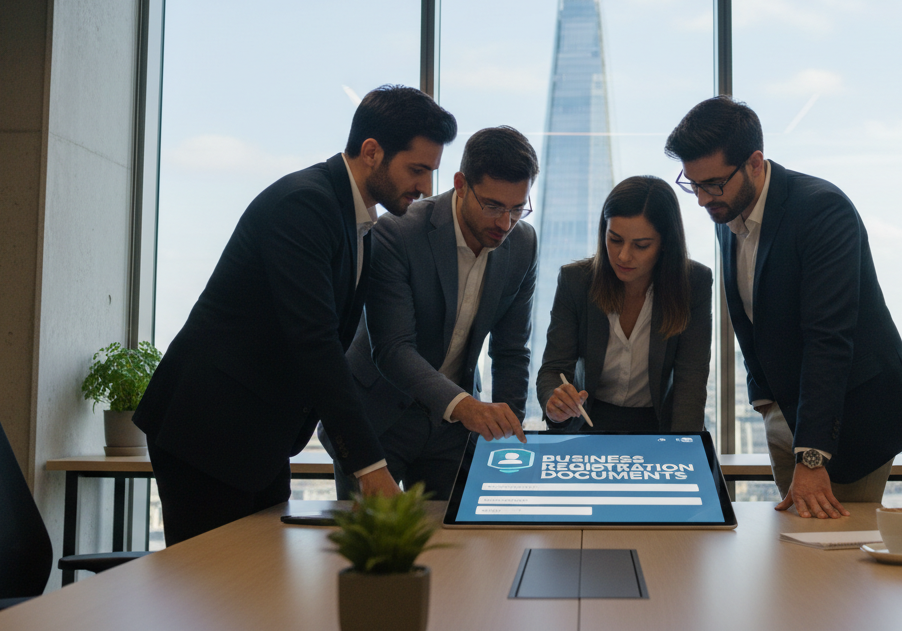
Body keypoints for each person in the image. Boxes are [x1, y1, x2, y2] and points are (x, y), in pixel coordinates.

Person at [133, 85, 457, 544]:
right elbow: (316, 343)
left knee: (258, 578)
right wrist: (370, 466)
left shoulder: (356, 219)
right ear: (371, 152)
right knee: (213, 581)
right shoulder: (305, 204)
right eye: (417, 169)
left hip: (260, 438)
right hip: (209, 431)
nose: (425, 187)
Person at [664, 96, 902, 519]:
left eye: (712, 184)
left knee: (840, 545)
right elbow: (751, 320)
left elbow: (828, 338)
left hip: (852, 417)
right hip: (785, 412)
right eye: (693, 185)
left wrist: (813, 456)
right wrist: (766, 402)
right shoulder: (728, 215)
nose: (701, 199)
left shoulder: (821, 209)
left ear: (754, 163)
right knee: (793, 544)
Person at [325, 126, 538, 500]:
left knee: (456, 531)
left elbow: (511, 351)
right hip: (380, 416)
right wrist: (466, 407)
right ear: (460, 184)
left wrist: (508, 436)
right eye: (492, 206)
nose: (505, 223)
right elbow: (393, 349)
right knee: (377, 535)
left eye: (517, 208)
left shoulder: (523, 243)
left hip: (454, 428)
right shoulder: (397, 232)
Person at [536, 176, 712, 433]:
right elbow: (554, 368)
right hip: (586, 423)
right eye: (615, 240)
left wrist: (682, 446)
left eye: (641, 245)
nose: (623, 256)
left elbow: (691, 381)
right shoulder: (576, 281)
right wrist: (556, 405)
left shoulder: (693, 283)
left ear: (666, 244)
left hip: (660, 425)